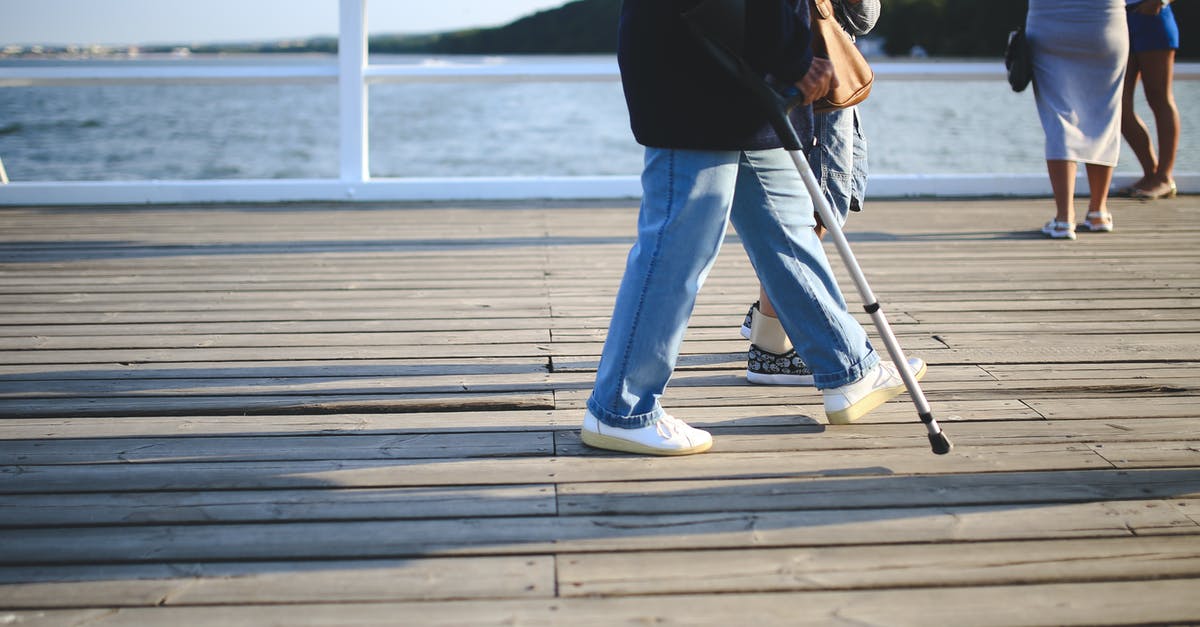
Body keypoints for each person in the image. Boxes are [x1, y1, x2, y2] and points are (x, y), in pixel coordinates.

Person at [581, 0, 924, 456]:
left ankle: (848, 368)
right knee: (677, 247)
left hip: (741, 71)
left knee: (786, 226)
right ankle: (621, 409)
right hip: (703, 67)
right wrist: (791, 58)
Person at [740, 0, 881, 386]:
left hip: (806, 62)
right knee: (812, 211)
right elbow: (864, 17)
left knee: (809, 207)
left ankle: (772, 320)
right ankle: (771, 344)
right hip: (812, 67)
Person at [1028, 0, 1130, 240]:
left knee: (1060, 116)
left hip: (1050, 23)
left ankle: (1064, 218)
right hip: (1105, 20)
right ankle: (1098, 212)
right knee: (1104, 114)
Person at [1117, 0, 1180, 200]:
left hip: (1151, 18)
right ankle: (1150, 172)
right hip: (1117, 19)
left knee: (1159, 98)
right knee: (1118, 106)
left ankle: (1164, 177)